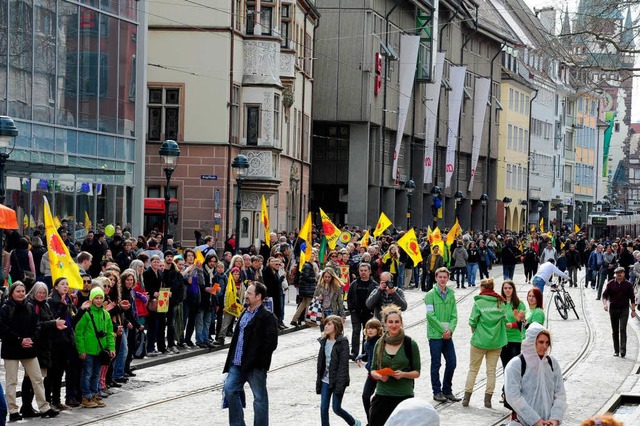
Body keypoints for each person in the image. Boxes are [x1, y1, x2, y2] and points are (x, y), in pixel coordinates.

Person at [0, 282, 59, 421]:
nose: (21, 293)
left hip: (29, 348)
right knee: (11, 381)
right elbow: (3, 329)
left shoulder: (29, 306)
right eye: (18, 291)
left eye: (22, 291)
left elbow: (36, 325)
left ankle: (44, 407)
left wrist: (31, 339)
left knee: (37, 378)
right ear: (12, 293)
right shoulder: (5, 308)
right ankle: (13, 411)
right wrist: (19, 339)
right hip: (12, 349)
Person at [222, 282, 278, 426]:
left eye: (249, 293)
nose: (246, 295)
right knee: (230, 390)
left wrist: (259, 362)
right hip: (237, 363)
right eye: (246, 292)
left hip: (255, 366)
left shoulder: (267, 316)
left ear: (258, 297)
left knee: (259, 398)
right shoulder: (244, 312)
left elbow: (271, 344)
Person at [504, 323, 566, 426]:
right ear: (532, 342)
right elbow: (513, 397)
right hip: (522, 423)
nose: (545, 346)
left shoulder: (551, 363)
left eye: (547, 342)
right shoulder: (516, 364)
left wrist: (555, 419)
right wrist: (535, 420)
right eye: (541, 342)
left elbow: (560, 394)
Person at [369, 305, 420, 426]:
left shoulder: (410, 344)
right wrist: (380, 376)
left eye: (397, 322)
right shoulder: (379, 343)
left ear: (401, 323)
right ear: (385, 324)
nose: (394, 325)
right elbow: (372, 370)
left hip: (404, 396)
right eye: (390, 322)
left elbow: (417, 372)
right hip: (382, 395)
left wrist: (403, 374)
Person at [462, 278, 507, 408]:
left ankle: (466, 398)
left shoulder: (479, 302)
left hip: (479, 341)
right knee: (491, 371)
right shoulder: (500, 302)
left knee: (473, 369)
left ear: (482, 288)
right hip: (496, 342)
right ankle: (488, 400)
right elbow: (504, 319)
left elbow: (472, 322)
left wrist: (476, 333)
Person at [75, 287, 116, 408]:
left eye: (100, 298)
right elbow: (79, 332)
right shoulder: (86, 313)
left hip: (100, 350)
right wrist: (81, 350)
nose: (98, 301)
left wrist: (111, 348)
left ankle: (94, 394)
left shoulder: (106, 314)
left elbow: (109, 333)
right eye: (96, 298)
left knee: (96, 373)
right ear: (91, 299)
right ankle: (86, 397)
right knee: (87, 373)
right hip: (88, 350)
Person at [316, 315, 360, 426]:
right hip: (325, 379)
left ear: (336, 326)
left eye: (329, 324)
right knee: (323, 408)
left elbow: (343, 366)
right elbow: (321, 362)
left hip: (338, 380)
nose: (325, 326)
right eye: (325, 324)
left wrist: (339, 385)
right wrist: (319, 379)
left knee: (336, 408)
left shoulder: (342, 342)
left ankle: (354, 422)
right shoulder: (324, 341)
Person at [425, 267, 460, 403]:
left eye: (445, 277)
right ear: (436, 278)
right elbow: (430, 315)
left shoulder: (451, 293)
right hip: (435, 335)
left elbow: (454, 315)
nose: (442, 279)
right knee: (436, 364)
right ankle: (437, 391)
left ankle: (447, 390)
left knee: (452, 362)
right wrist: (442, 330)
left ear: (448, 278)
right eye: (440, 277)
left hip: (448, 335)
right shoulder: (430, 295)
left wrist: (450, 330)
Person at [602, 266, 636, 357]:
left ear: (624, 274)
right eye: (617, 274)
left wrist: (633, 310)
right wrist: (605, 304)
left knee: (622, 329)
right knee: (615, 330)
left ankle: (623, 350)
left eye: (620, 274)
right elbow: (604, 295)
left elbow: (632, 299)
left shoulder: (628, 285)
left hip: (624, 309)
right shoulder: (610, 284)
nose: (619, 276)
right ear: (615, 275)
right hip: (613, 309)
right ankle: (616, 350)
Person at [347, 263, 377, 360]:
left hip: (368, 313)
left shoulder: (374, 285)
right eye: (361, 271)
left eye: (365, 271)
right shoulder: (354, 284)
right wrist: (351, 309)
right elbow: (349, 297)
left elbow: (376, 299)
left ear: (369, 271)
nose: (363, 273)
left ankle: (365, 353)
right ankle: (354, 353)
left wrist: (373, 311)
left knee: (367, 332)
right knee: (356, 331)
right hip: (356, 312)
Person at [355, 318, 382, 426]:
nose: (370, 330)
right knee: (365, 396)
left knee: (380, 400)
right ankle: (370, 421)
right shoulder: (367, 342)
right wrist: (360, 356)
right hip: (371, 374)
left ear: (378, 330)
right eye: (368, 328)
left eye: (373, 328)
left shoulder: (380, 341)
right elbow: (368, 356)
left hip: (380, 375)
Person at [500, 280, 526, 368]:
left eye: (510, 288)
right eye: (505, 288)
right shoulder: (499, 303)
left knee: (514, 367)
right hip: (502, 339)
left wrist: (514, 325)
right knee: (505, 366)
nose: (507, 290)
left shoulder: (519, 304)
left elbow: (524, 322)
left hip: (515, 339)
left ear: (513, 289)